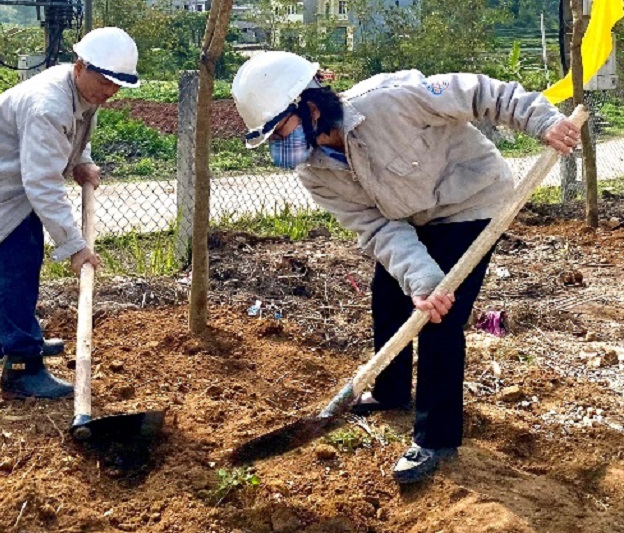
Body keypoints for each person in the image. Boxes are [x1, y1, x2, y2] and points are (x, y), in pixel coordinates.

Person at [231, 52, 580, 483]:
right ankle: (391, 391)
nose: (282, 143)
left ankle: (436, 438)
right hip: (412, 218)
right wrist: (422, 278)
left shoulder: (391, 101)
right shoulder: (314, 173)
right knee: (390, 295)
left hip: (471, 202)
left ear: (310, 104)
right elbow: (376, 227)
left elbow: (482, 93)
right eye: (271, 136)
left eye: (281, 128)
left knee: (438, 318)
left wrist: (540, 120)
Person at [0, 27, 140, 399]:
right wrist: (76, 247)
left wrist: (81, 161)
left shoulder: (80, 91)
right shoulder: (49, 104)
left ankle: (24, 338)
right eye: (106, 81)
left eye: (118, 85)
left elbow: (75, 134)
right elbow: (43, 184)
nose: (111, 92)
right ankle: (21, 368)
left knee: (27, 259)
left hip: (12, 185)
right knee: (8, 271)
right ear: (81, 66)